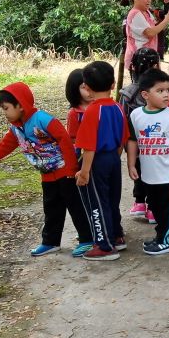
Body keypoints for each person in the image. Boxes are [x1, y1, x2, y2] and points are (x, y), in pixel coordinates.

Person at [0, 82, 92, 258]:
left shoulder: (43, 119)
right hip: (47, 175)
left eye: (6, 108)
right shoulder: (16, 129)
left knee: (75, 206)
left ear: (20, 105)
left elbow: (65, 140)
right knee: (51, 208)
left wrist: (72, 169)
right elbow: (3, 147)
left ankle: (87, 240)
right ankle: (50, 242)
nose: (4, 113)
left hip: (65, 172)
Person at [126, 69, 169, 256]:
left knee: (168, 209)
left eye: (168, 90)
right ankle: (160, 236)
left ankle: (167, 240)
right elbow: (132, 141)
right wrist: (131, 164)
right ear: (145, 95)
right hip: (148, 176)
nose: (166, 94)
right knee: (155, 208)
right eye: (160, 91)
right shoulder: (136, 115)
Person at [74, 61, 130, 261]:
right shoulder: (117, 107)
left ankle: (104, 246)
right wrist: (115, 158)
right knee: (112, 200)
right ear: (113, 84)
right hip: (113, 159)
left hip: (96, 161)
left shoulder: (91, 111)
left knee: (97, 203)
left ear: (87, 88)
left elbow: (89, 147)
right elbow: (123, 139)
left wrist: (84, 172)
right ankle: (116, 235)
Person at [122, 48, 163, 223]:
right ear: (155, 66)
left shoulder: (127, 92)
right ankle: (153, 208)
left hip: (134, 141)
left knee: (137, 169)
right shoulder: (160, 89)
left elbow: (123, 117)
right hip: (155, 142)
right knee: (154, 174)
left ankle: (139, 203)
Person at [121, 0, 169, 70]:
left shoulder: (146, 12)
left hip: (149, 57)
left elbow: (156, 29)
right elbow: (150, 33)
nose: (149, 0)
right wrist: (166, 20)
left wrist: (168, 19)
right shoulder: (135, 14)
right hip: (140, 60)